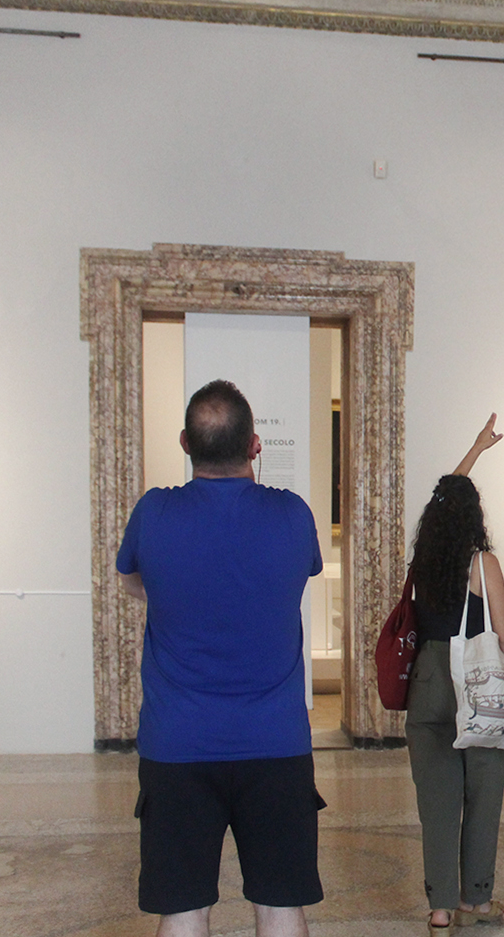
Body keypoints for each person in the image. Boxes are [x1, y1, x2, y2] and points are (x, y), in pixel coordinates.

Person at [116, 379, 324, 937]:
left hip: (177, 744)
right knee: (281, 908)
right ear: (256, 445)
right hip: (276, 743)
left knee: (182, 912)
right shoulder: (292, 516)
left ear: (185, 443)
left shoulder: (154, 513)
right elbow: (298, 574)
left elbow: (133, 580)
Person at [406, 415, 504, 935]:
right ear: (475, 518)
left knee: (436, 800)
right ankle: (476, 900)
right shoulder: (483, 565)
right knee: (483, 794)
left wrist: (475, 451)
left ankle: (440, 908)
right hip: (477, 684)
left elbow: (443, 500)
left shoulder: (423, 558)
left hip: (428, 682)